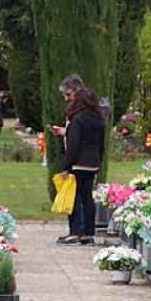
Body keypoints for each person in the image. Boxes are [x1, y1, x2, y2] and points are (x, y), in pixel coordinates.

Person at [50, 76, 104, 245]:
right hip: (92, 162)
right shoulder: (97, 117)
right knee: (87, 197)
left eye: (68, 95)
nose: (66, 99)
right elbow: (99, 143)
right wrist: (99, 162)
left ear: (77, 95)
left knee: (73, 197)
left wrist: (66, 166)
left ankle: (75, 232)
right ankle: (88, 233)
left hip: (78, 162)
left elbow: (74, 144)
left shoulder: (77, 118)